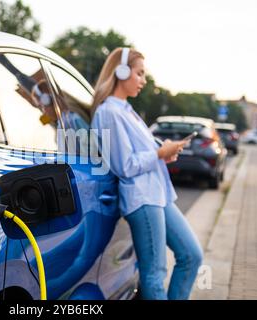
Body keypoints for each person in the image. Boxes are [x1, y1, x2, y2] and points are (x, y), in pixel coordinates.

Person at [91, 47, 203, 300]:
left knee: (192, 255)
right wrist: (159, 154)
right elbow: (125, 165)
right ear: (120, 72)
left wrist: (163, 152)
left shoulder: (126, 109)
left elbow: (142, 154)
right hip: (141, 199)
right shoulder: (109, 111)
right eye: (139, 73)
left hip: (158, 194)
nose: (143, 80)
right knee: (154, 273)